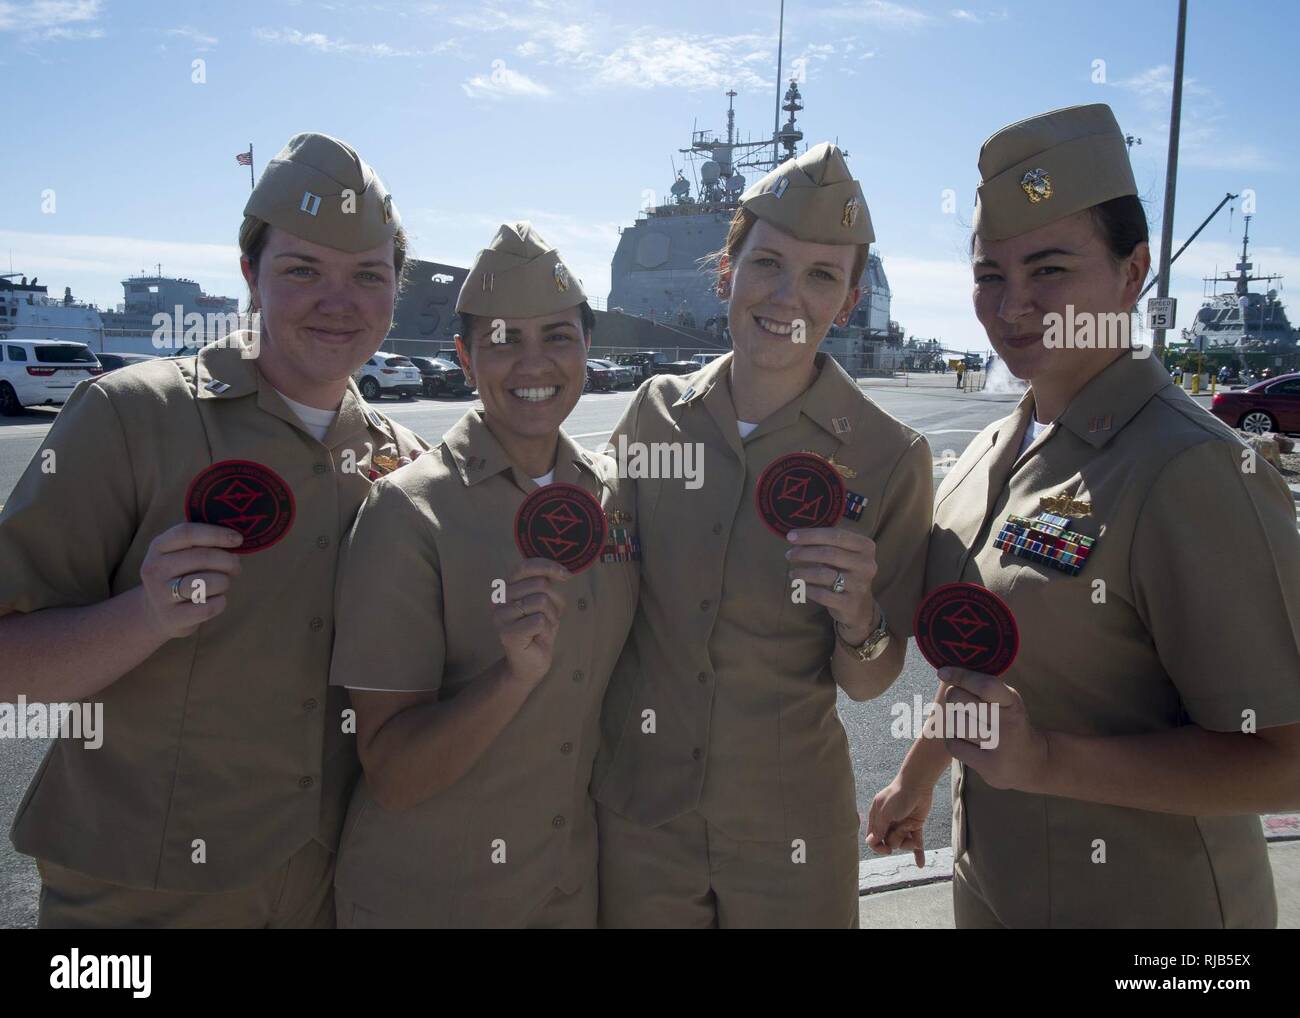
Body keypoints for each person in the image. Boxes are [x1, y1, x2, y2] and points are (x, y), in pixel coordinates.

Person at [866, 103, 1300, 928]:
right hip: (993, 878)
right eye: (991, 275)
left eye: (1051, 269)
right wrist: (918, 775)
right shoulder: (997, 445)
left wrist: (1048, 762)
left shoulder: (1194, 470)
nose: (1013, 305)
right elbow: (982, 666)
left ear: (1133, 274)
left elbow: (1286, 763)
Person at [0, 133, 425, 928]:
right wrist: (145, 616)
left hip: (330, 889)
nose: (339, 302)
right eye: (303, 270)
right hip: (139, 898)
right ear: (249, 278)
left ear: (395, 290)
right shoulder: (130, 417)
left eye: (368, 275)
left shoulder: (401, 462)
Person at [595, 143, 934, 928]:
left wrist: (860, 622)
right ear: (727, 273)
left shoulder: (891, 458)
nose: (788, 295)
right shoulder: (654, 413)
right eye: (767, 263)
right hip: (643, 818)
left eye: (822, 276)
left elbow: (873, 680)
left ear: (848, 301)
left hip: (789, 828)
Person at [328, 223, 638, 928]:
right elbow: (395, 775)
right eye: (504, 340)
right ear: (466, 358)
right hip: (432, 897)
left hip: (566, 890)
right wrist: (512, 680)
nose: (534, 363)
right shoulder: (408, 513)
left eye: (558, 336)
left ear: (588, 350)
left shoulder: (611, 498)